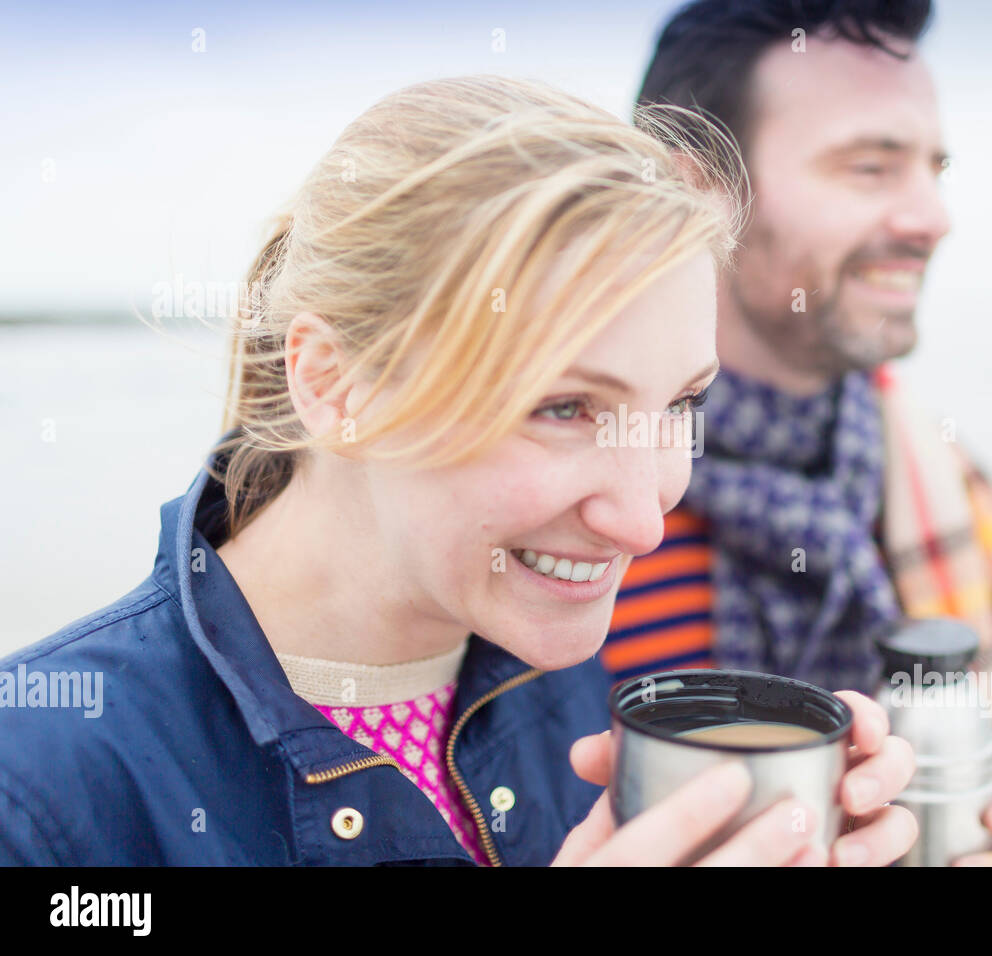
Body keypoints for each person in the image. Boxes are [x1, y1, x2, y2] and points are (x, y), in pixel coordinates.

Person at [0, 75, 918, 866]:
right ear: (331, 382)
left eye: (680, 405)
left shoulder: (549, 671)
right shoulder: (37, 788)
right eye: (564, 409)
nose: (645, 522)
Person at [602, 0, 992, 866]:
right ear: (695, 188)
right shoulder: (565, 509)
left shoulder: (944, 481)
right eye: (872, 167)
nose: (932, 217)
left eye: (934, 168)